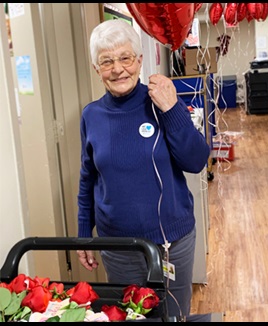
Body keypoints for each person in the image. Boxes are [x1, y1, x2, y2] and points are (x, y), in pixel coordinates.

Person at [76, 19, 210, 318]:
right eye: (106, 61)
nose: (118, 68)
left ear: (139, 60)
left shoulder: (160, 102)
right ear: (96, 69)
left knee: (174, 314)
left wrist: (172, 109)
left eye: (125, 58)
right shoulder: (91, 116)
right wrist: (84, 232)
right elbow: (88, 179)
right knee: (132, 315)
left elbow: (196, 161)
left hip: (172, 241)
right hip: (119, 246)